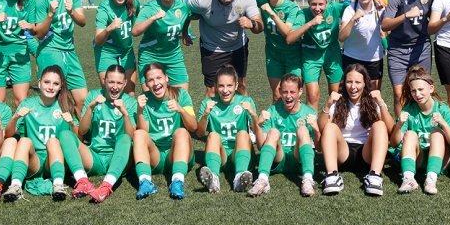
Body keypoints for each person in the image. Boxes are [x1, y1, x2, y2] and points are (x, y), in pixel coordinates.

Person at [59, 65, 137, 203]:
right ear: (104, 81)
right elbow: (82, 131)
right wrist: (90, 108)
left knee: (125, 138)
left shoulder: (130, 102)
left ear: (125, 83)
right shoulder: (93, 95)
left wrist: (125, 113)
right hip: (95, 156)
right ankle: (82, 181)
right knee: (65, 134)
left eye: (119, 83)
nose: (115, 87)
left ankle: (106, 186)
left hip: (118, 158)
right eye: (111, 82)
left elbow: (131, 137)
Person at [2, 65, 76, 202]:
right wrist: (15, 118)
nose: (50, 87)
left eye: (55, 84)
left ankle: (58, 185)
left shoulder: (65, 105)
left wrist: (72, 124)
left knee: (53, 141)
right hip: (33, 160)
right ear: (40, 83)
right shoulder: (28, 103)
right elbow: (8, 134)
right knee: (24, 141)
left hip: (55, 159)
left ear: (61, 86)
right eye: (47, 82)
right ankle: (15, 186)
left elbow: (77, 140)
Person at [318, 64, 394, 196]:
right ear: (344, 83)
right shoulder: (338, 101)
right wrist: (328, 105)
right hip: (342, 153)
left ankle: (375, 176)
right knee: (330, 127)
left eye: (358, 82)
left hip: (367, 154)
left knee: (380, 125)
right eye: (349, 82)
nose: (353, 87)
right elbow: (322, 129)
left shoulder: (373, 101)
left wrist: (381, 103)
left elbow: (390, 130)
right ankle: (332, 176)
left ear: (365, 83)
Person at [186, 0, 262, 97]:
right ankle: (209, 111)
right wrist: (185, 32)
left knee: (240, 85)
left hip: (238, 46)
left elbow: (259, 26)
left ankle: (245, 110)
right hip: (211, 48)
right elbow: (184, 10)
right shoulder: (203, 0)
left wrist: (252, 24)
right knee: (212, 90)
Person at [382, 0, 438, 117]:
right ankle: (401, 128)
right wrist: (406, 15)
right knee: (399, 94)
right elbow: (385, 25)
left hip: (421, 47)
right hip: (398, 49)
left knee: (422, 90)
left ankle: (423, 125)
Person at [247, 73, 319, 197]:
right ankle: (262, 179)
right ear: (280, 91)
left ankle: (307, 179)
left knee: (302, 130)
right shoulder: (272, 110)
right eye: (285, 92)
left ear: (300, 92)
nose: (288, 96)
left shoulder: (308, 112)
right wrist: (258, 126)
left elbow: (318, 147)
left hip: (298, 159)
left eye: (292, 92)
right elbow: (260, 146)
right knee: (273, 132)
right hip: (278, 158)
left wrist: (316, 130)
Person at [390, 66, 450, 195]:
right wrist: (399, 125)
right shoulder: (408, 110)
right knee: (410, 134)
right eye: (413, 91)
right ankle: (409, 179)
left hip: (441, 160)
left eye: (421, 89)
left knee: (437, 133)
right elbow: (394, 143)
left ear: (431, 88)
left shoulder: (443, 109)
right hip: (418, 160)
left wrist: (443, 123)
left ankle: (431, 179)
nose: (417, 94)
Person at [133, 63, 197, 200]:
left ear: (166, 78)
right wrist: (140, 111)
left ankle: (177, 181)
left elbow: (193, 127)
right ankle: (145, 181)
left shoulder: (181, 94)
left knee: (181, 132)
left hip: (178, 153)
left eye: (159, 78)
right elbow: (144, 132)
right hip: (155, 156)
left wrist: (181, 110)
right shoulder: (144, 99)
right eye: (151, 80)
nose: (156, 83)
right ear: (146, 84)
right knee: (138, 134)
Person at [33, 0, 88, 113]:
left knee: (83, 100)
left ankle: (77, 128)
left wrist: (71, 12)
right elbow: (39, 34)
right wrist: (50, 14)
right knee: (56, 100)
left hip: (70, 50)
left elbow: (83, 22)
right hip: (50, 50)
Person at [196, 65, 257, 193]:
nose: (225, 90)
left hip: (241, 154)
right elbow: (200, 133)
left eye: (229, 85)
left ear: (236, 86)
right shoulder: (208, 103)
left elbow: (258, 132)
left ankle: (240, 177)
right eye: (221, 86)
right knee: (213, 135)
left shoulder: (245, 101)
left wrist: (252, 114)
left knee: (243, 133)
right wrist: (205, 114)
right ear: (215, 86)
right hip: (220, 156)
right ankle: (213, 178)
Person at [286, 0, 347, 110]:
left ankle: (333, 121)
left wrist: (376, 0)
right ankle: (312, 122)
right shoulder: (303, 14)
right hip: (311, 56)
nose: (317, 8)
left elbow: (354, 5)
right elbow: (289, 39)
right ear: (308, 3)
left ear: (327, 3)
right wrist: (310, 23)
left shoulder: (335, 8)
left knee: (336, 95)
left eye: (321, 4)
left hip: (332, 54)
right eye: (313, 4)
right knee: (312, 96)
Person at [132, 0, 191, 90]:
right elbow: (135, 31)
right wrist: (153, 18)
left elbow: (188, 17)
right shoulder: (150, 8)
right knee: (152, 97)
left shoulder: (183, 6)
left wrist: (185, 34)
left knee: (182, 95)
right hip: (150, 55)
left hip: (174, 55)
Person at [255, 0, 302, 101]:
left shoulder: (291, 7)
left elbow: (287, 33)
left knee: (294, 96)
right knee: (277, 96)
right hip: (273, 55)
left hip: (292, 56)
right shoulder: (261, 0)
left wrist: (272, 13)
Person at [93, 0, 140, 91]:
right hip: (106, 51)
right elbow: (98, 40)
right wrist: (109, 28)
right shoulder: (104, 7)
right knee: (110, 91)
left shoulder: (135, 3)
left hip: (126, 50)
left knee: (129, 92)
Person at [339, 0, 386, 91]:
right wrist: (353, 19)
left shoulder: (380, 8)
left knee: (373, 95)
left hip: (374, 59)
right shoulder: (350, 9)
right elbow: (341, 37)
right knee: (351, 95)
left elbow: (388, 31)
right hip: (352, 58)